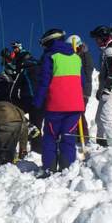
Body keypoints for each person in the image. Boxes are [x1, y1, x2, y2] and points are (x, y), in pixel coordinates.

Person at [33, 29, 85, 176]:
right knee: (68, 136)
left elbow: (44, 82)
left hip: (56, 105)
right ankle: (67, 168)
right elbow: (82, 81)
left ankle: (49, 168)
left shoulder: (50, 57)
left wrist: (37, 102)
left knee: (50, 137)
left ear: (49, 42)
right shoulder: (76, 58)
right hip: (75, 106)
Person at [89, 25, 112, 147]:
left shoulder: (110, 51)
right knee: (99, 119)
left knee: (106, 118)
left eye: (97, 39)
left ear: (104, 37)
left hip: (110, 90)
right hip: (105, 89)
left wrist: (107, 87)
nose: (96, 42)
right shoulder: (107, 50)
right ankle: (101, 143)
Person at [67, 35, 94, 141]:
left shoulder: (85, 56)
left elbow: (86, 71)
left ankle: (83, 138)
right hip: (77, 88)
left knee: (78, 113)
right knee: (74, 113)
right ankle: (78, 136)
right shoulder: (80, 55)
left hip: (82, 89)